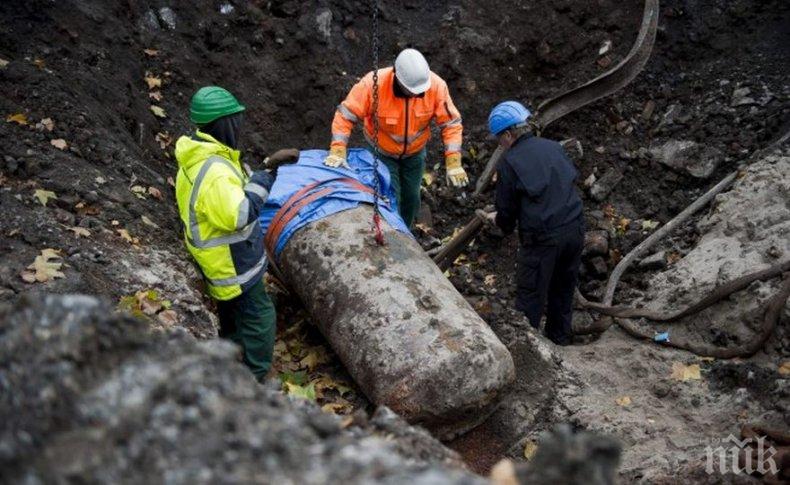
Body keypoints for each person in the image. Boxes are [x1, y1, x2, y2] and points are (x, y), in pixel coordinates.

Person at [174, 86, 276, 380]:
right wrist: (263, 180)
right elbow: (240, 215)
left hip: (215, 260)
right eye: (235, 119)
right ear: (223, 124)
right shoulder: (215, 170)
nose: (239, 125)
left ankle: (231, 362)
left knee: (233, 316)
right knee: (260, 317)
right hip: (233, 264)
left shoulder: (198, 156)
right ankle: (256, 378)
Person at [324, 48, 468, 228]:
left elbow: (451, 123)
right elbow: (346, 115)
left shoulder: (436, 87)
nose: (416, 95)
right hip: (382, 152)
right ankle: (390, 234)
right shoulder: (372, 85)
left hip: (415, 154)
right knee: (391, 197)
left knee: (411, 198)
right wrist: (338, 149)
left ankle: (405, 232)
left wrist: (454, 161)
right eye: (412, 91)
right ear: (398, 79)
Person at [485, 101, 584, 345]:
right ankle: (560, 340)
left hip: (543, 238)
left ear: (508, 134)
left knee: (531, 295)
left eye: (500, 139)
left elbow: (507, 211)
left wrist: (497, 221)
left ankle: (529, 351)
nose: (501, 144)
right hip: (574, 228)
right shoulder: (553, 147)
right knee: (563, 289)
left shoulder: (510, 162)